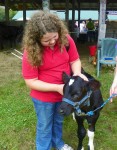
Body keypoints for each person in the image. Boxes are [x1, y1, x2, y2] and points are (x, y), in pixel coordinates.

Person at [22, 11, 88, 150]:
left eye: (54, 37)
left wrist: (77, 74)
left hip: (64, 94)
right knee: (45, 126)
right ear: (36, 39)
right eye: (46, 40)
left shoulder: (66, 39)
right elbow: (31, 81)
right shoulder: (31, 51)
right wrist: (57, 88)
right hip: (43, 98)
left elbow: (75, 60)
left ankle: (57, 143)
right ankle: (43, 147)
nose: (52, 42)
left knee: (58, 121)